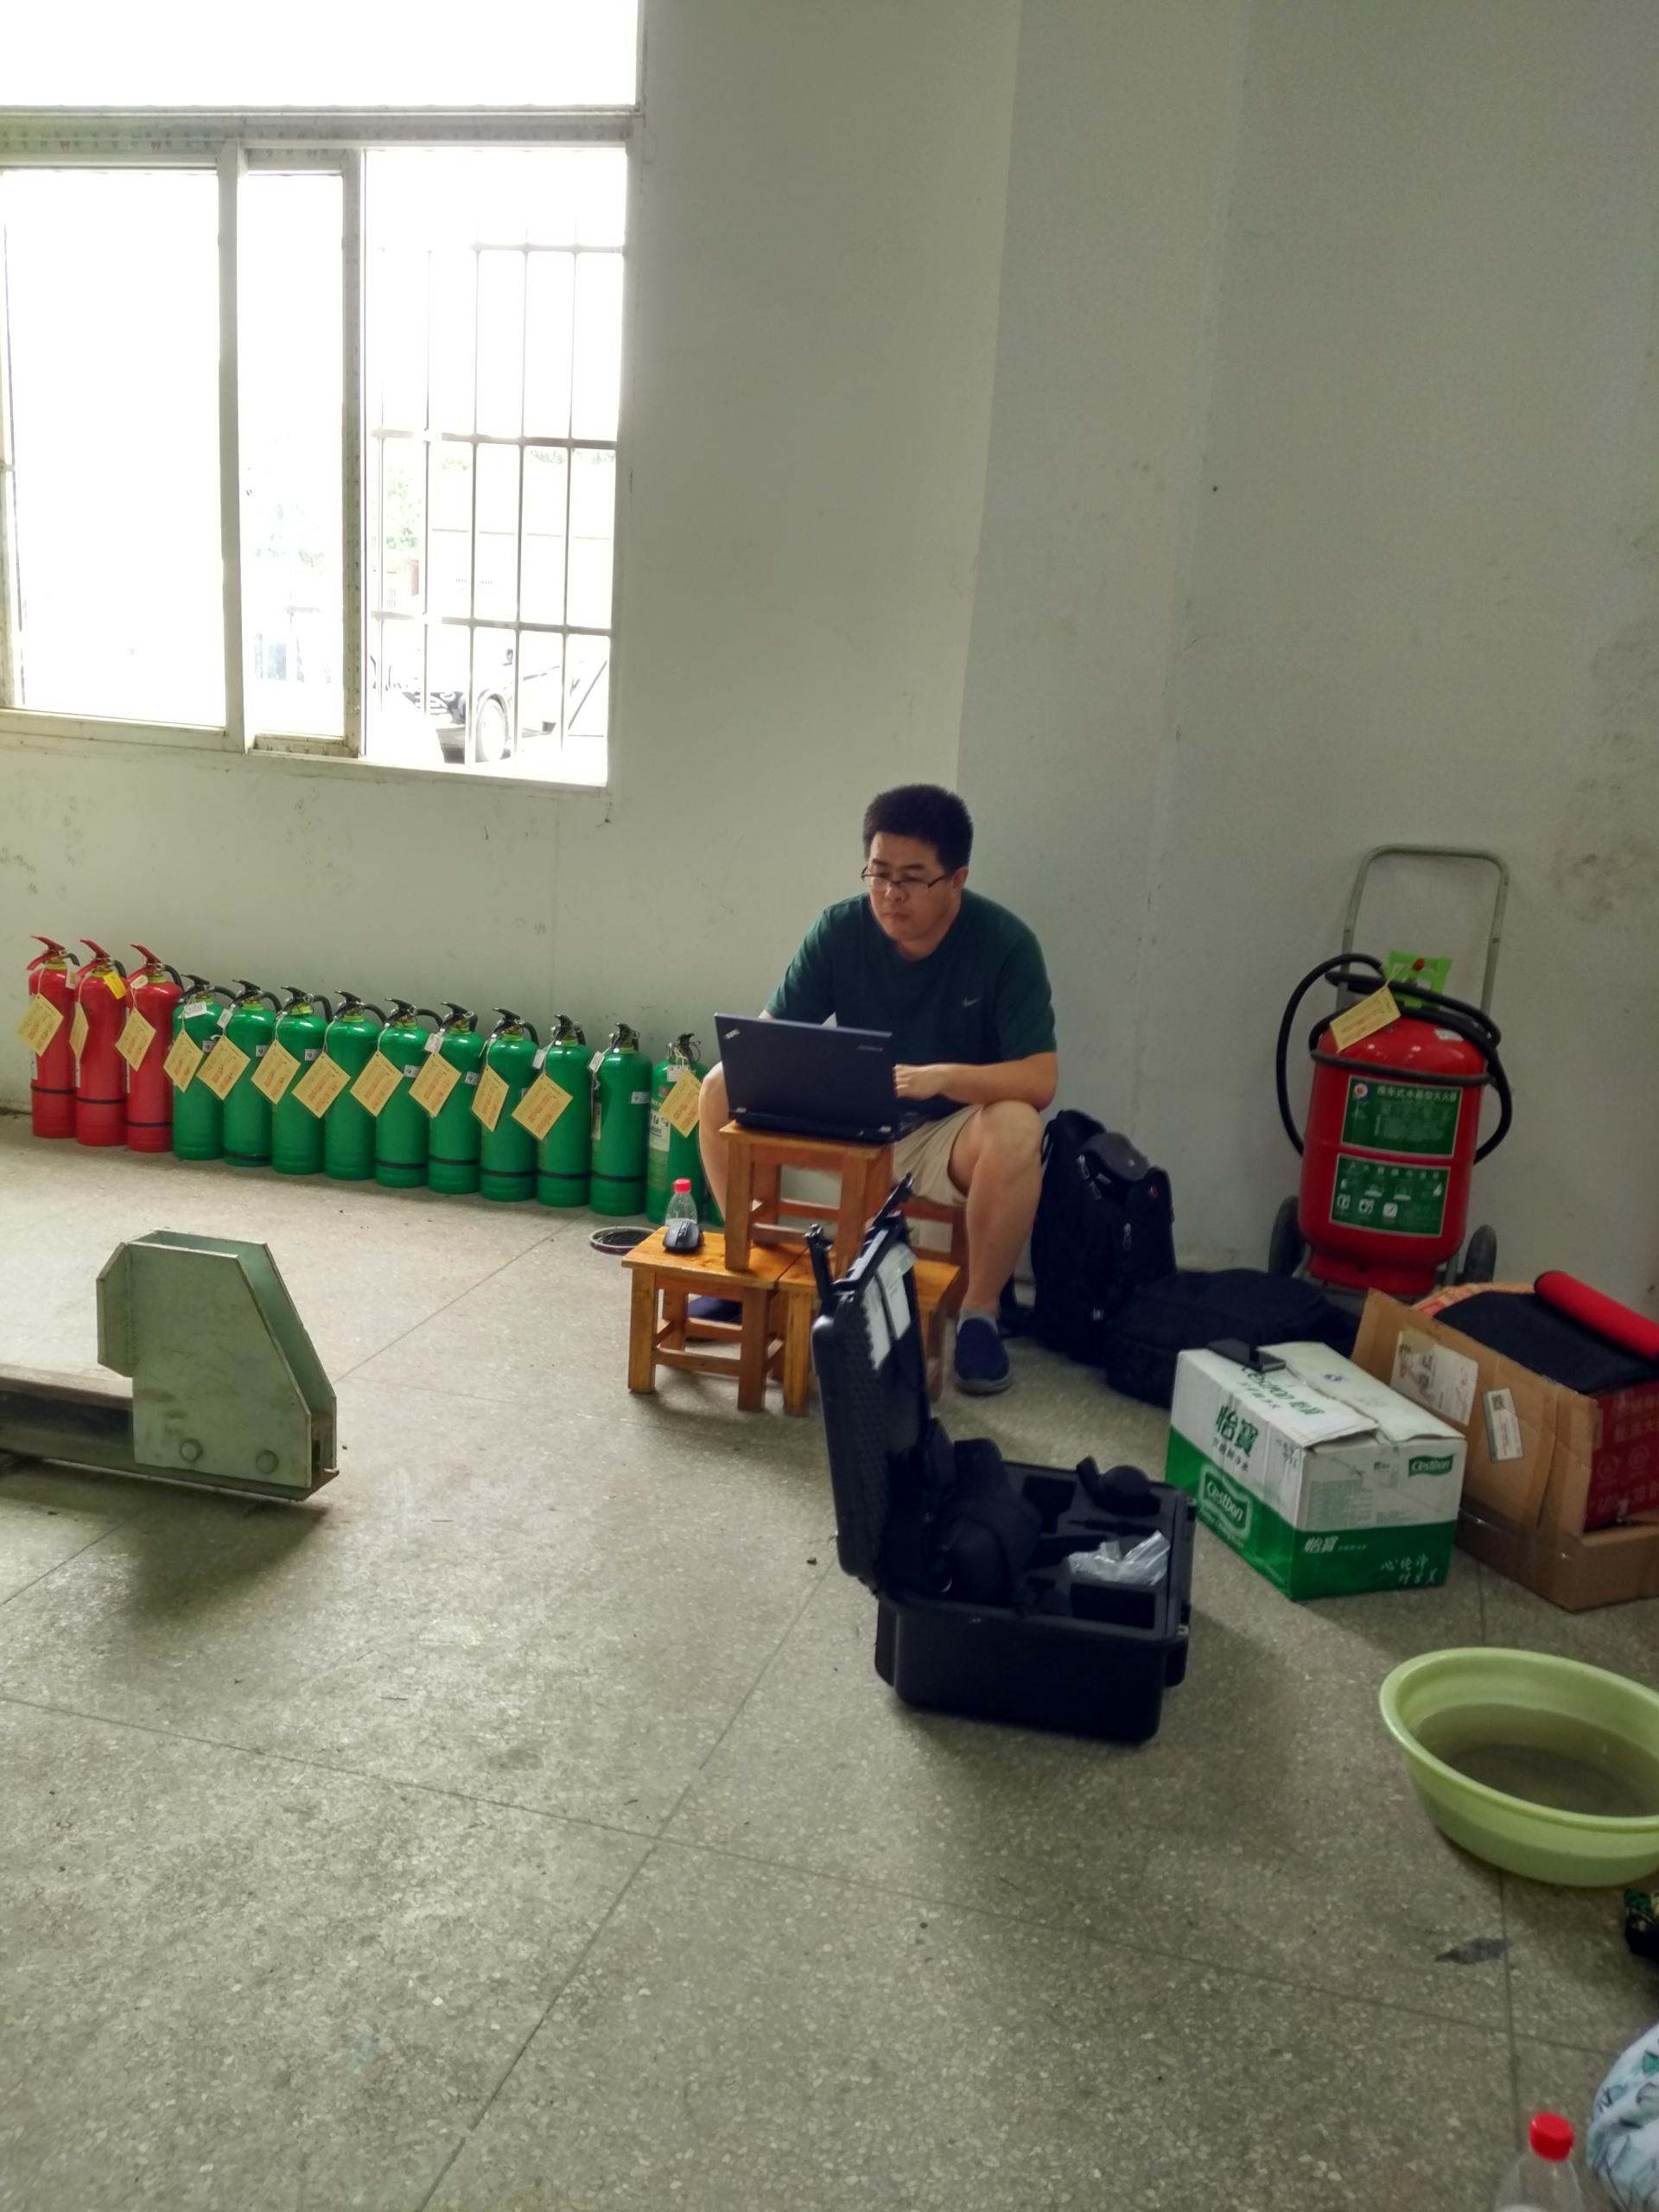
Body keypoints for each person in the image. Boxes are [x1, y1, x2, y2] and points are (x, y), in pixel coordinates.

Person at [699, 784, 1058, 1395]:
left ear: (957, 879)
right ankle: (752, 1273)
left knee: (1018, 1125)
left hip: (946, 1133)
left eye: (912, 879)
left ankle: (979, 1316)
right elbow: (768, 1039)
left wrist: (944, 1076)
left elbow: (1040, 1078)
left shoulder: (1005, 945)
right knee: (719, 1085)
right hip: (851, 1118)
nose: (891, 894)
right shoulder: (841, 928)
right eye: (879, 873)